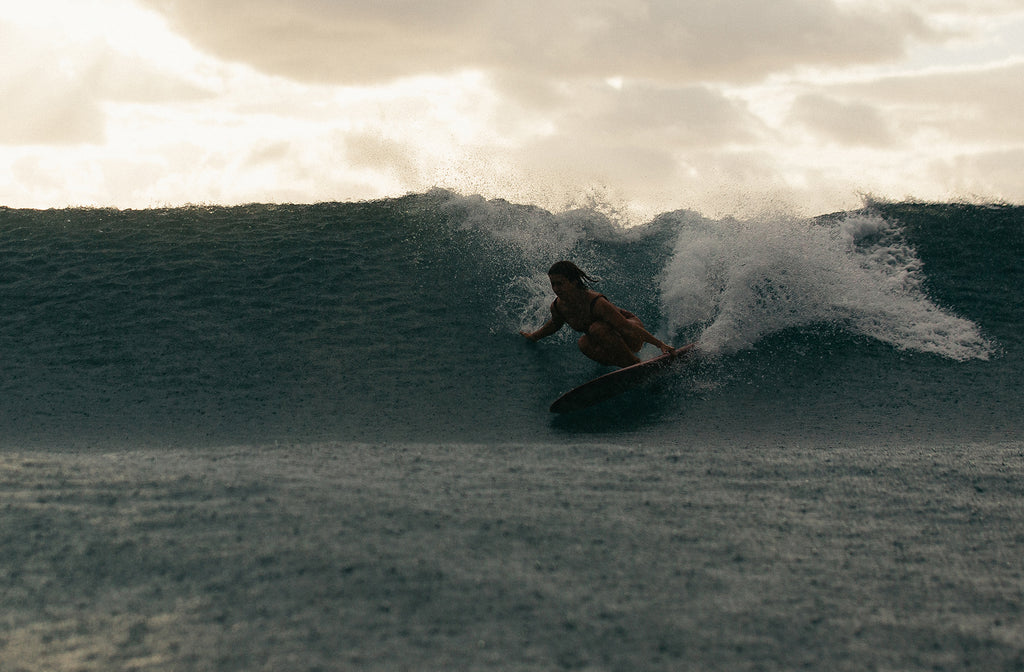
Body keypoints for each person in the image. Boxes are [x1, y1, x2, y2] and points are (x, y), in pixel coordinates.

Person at [519, 260, 677, 368]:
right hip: (611, 339)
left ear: (573, 282)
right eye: (553, 284)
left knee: (596, 329)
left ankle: (634, 363)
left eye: (560, 283)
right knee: (583, 343)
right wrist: (534, 336)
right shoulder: (558, 307)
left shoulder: (595, 302)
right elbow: (554, 324)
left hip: (631, 333)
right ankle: (627, 368)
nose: (556, 288)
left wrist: (659, 344)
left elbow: (625, 326)